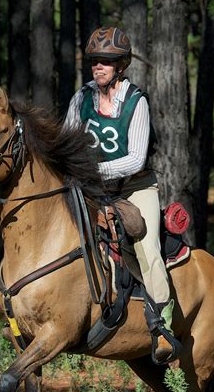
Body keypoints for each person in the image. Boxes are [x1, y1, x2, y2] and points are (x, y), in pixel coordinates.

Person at [65, 26, 181, 360]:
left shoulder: (136, 101)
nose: (98, 67)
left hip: (135, 188)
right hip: (91, 189)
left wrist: (93, 170)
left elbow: (135, 159)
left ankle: (162, 327)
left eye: (106, 61)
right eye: (95, 61)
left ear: (121, 65)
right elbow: (68, 139)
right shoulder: (81, 98)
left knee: (146, 249)